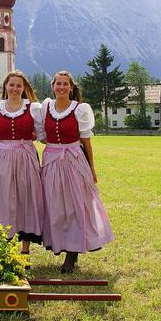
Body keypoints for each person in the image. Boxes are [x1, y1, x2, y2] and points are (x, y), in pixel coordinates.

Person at [38, 70, 114, 273]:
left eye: (65, 84)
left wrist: (91, 168)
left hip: (74, 160)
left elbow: (86, 141)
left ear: (71, 88)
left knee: (75, 205)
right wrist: (55, 146)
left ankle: (72, 254)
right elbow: (42, 136)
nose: (61, 87)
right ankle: (61, 244)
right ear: (52, 86)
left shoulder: (80, 109)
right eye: (58, 84)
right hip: (52, 160)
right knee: (55, 205)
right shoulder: (45, 107)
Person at [0, 71, 44, 257]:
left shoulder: (34, 108)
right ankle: (7, 249)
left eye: (19, 85)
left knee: (27, 199)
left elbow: (42, 136)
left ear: (24, 88)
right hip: (3, 158)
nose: (15, 89)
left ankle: (25, 251)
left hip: (26, 157)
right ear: (5, 87)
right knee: (5, 200)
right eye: (11, 85)